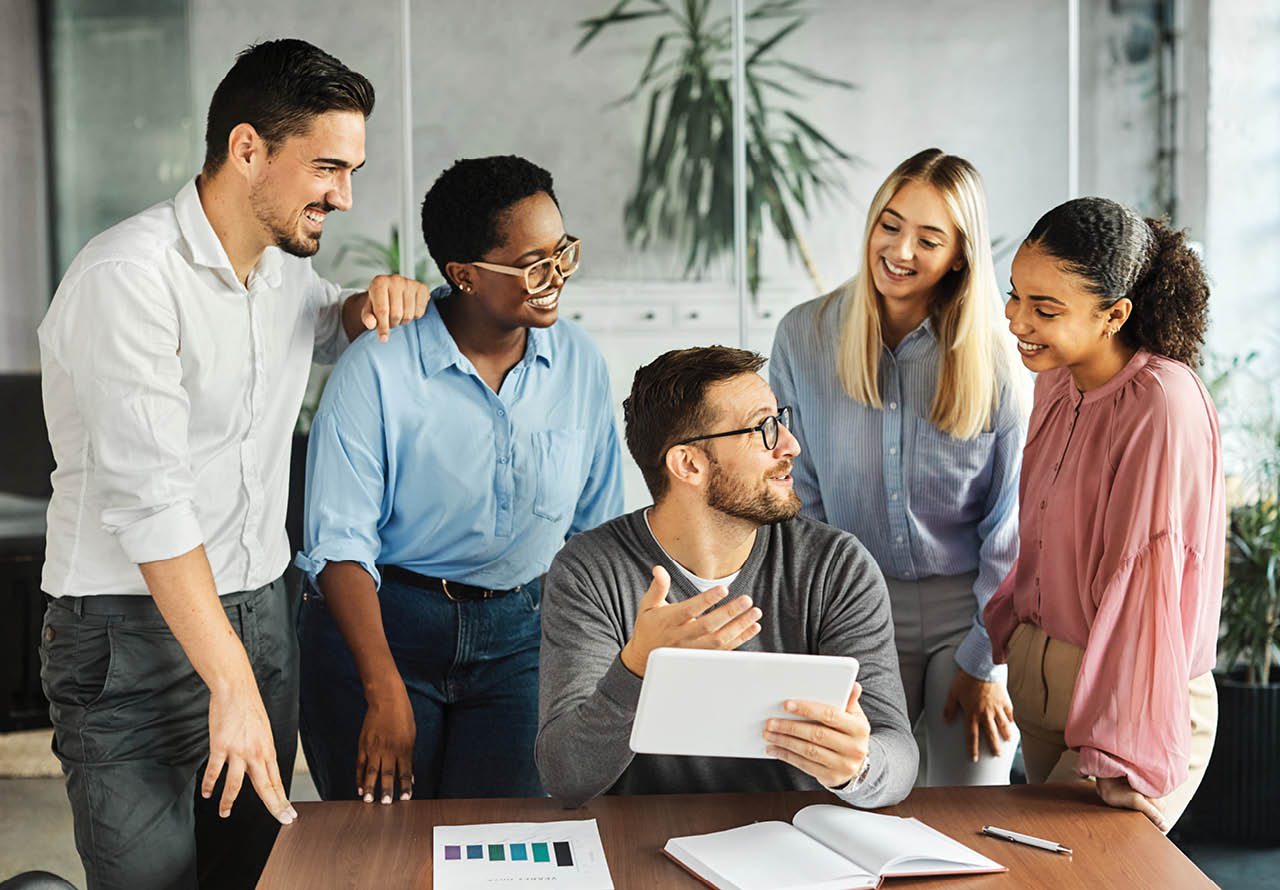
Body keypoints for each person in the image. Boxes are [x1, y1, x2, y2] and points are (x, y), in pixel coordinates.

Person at [36, 39, 431, 890]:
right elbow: (153, 507)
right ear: (248, 148)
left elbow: (324, 321)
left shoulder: (280, 270)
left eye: (352, 170)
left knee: (255, 874)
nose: (345, 195)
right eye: (327, 167)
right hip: (129, 630)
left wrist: (371, 304)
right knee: (155, 880)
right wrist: (233, 685)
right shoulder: (128, 277)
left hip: (258, 610)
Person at [296, 155, 624, 804]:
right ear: (464, 275)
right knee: (383, 849)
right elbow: (339, 546)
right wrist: (382, 689)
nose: (556, 276)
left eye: (564, 253)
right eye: (534, 263)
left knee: (499, 844)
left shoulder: (580, 363)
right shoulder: (378, 369)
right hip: (385, 627)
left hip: (522, 638)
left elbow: (595, 527)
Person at [535, 346, 917, 808]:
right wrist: (638, 666)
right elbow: (565, 777)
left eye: (783, 420)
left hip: (795, 842)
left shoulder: (836, 566)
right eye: (764, 429)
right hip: (641, 844)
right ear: (689, 464)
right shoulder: (589, 570)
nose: (791, 445)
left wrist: (860, 766)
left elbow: (898, 751)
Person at [769, 149, 1027, 787]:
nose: (901, 250)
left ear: (960, 255)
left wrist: (987, 660)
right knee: (843, 799)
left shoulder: (999, 360)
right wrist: (817, 620)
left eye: (928, 238)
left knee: (973, 810)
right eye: (890, 224)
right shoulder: (804, 335)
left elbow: (1011, 524)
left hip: (965, 611)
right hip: (851, 601)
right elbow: (795, 497)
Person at [985, 196, 1222, 832]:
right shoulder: (1053, 380)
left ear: (1114, 314)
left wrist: (1123, 750)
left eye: (1045, 309)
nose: (1016, 321)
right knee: (1036, 870)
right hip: (1039, 680)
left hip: (1130, 696)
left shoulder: (1163, 403)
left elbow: (1147, 575)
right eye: (1015, 296)